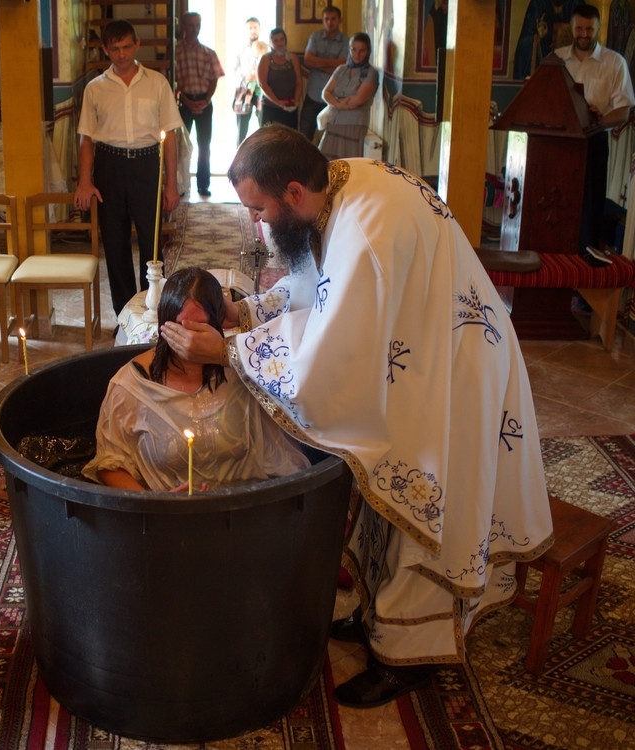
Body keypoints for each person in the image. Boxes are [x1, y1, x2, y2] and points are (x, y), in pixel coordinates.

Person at [159, 126, 554, 708]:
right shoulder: (337, 185)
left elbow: (329, 361)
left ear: (293, 191)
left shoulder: (367, 231)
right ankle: (378, 615)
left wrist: (228, 352)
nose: (258, 225)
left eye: (260, 210)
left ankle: (409, 654)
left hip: (447, 375)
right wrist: (251, 309)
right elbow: (315, 286)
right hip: (421, 350)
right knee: (385, 480)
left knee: (420, 490)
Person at [83, 267, 310, 492]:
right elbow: (109, 466)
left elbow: (279, 455)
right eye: (180, 328)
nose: (189, 340)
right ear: (164, 323)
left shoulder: (241, 371)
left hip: (240, 509)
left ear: (219, 324)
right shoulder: (131, 386)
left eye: (200, 327)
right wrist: (157, 505)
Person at [74, 20, 184, 318]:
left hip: (148, 165)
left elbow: (170, 135)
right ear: (106, 49)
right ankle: (125, 315)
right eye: (114, 49)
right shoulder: (94, 89)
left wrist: (170, 184)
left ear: (136, 45)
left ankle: (152, 310)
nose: (121, 54)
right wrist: (85, 181)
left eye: (126, 47)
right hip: (109, 166)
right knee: (115, 242)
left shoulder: (157, 82)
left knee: (151, 242)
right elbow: (86, 138)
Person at [553, 4, 634, 263]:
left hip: (594, 142)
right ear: (572, 28)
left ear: (598, 29)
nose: (584, 34)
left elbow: (623, 110)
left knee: (588, 208)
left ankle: (584, 274)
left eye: (589, 29)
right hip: (559, 143)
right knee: (556, 203)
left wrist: (596, 123)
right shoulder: (557, 59)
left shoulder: (614, 62)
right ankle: (555, 262)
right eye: (579, 28)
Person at [175, 12, 224, 198]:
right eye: (190, 25)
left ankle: (203, 185)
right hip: (183, 101)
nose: (194, 29)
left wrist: (207, 99)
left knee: (205, 145)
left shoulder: (208, 53)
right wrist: (186, 100)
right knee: (182, 146)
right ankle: (180, 184)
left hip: (204, 102)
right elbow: (173, 81)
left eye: (197, 25)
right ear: (183, 27)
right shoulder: (176, 51)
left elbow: (213, 79)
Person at [317, 33, 380, 160]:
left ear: (368, 52)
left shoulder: (371, 73)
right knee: (325, 164)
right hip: (334, 122)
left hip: (354, 125)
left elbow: (357, 100)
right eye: (354, 49)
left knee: (349, 165)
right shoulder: (341, 69)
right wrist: (340, 103)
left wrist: (335, 102)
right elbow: (325, 93)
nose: (357, 54)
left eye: (362, 50)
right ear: (349, 49)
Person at [300, 5, 348, 141]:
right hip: (313, 95)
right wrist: (332, 62)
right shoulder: (315, 37)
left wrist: (319, 64)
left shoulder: (347, 41)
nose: (329, 22)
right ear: (323, 20)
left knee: (332, 137)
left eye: (333, 19)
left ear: (340, 20)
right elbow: (308, 60)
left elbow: (342, 67)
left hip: (335, 96)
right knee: (305, 133)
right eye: (326, 19)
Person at [257, 28, 304, 129]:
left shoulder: (293, 58)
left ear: (285, 41)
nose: (279, 43)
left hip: (290, 108)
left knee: (290, 140)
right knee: (270, 140)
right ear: (270, 42)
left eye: (282, 39)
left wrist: (295, 101)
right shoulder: (265, 59)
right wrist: (278, 103)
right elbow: (262, 84)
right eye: (275, 40)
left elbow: (299, 82)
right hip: (271, 107)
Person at [233, 17, 269, 145]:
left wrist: (258, 76)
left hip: (262, 90)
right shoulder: (240, 49)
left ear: (259, 29)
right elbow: (235, 69)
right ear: (246, 30)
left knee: (264, 125)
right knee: (241, 128)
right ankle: (239, 157)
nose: (253, 31)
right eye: (250, 28)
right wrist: (246, 76)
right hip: (244, 89)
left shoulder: (265, 48)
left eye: (255, 28)